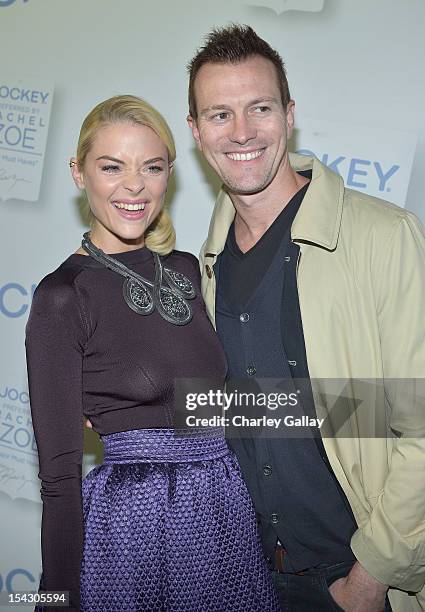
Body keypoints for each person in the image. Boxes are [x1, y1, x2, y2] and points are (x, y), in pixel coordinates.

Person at [186, 25, 425, 612]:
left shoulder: (381, 236)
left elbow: (418, 427)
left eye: (259, 108)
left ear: (289, 115)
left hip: (354, 583)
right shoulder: (203, 266)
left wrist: (372, 579)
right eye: (219, 114)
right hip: (244, 577)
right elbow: (246, 410)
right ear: (195, 132)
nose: (241, 132)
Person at [26, 95, 280, 612]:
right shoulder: (62, 296)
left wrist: (365, 411)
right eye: (112, 167)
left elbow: (213, 405)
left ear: (169, 174)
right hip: (133, 531)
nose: (135, 185)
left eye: (152, 166)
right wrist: (52, 600)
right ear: (79, 174)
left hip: (221, 514)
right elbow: (58, 475)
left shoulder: (187, 270)